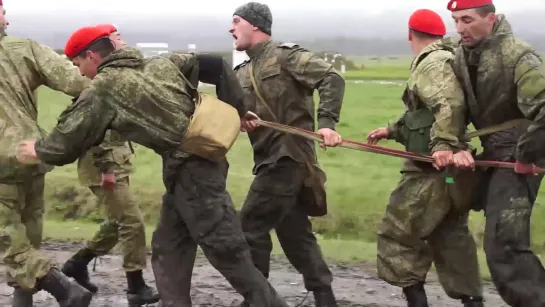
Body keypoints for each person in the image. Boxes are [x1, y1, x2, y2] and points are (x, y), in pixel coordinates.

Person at [16, 25, 289, 307]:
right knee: (169, 247)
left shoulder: (104, 87)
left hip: (194, 176)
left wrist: (38, 149)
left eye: (78, 64)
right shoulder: (161, 63)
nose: (81, 73)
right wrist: (238, 110)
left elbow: (68, 140)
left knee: (227, 252)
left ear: (91, 56)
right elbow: (217, 66)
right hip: (188, 169)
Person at [366, 9, 484, 307]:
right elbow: (424, 115)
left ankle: (417, 302)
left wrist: (443, 146)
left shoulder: (431, 64)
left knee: (397, 235)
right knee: (449, 235)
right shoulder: (445, 57)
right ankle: (474, 301)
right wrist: (391, 130)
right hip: (450, 173)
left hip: (430, 171)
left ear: (410, 34)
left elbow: (448, 104)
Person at [229, 2, 344, 306]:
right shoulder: (241, 71)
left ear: (254, 25)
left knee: (249, 227)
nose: (231, 29)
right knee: (294, 232)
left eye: (236, 22)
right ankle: (324, 296)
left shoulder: (285, 56)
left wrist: (328, 124)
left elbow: (331, 78)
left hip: (289, 157)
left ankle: (257, 298)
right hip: (266, 159)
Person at [447, 0, 545, 306]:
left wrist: (525, 156)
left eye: (467, 20)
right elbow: (452, 106)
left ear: (491, 18)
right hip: (487, 156)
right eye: (455, 21)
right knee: (440, 221)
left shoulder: (519, 55)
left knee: (505, 246)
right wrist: (452, 144)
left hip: (519, 157)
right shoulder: (460, 55)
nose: (460, 28)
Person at [0, 1, 94, 306]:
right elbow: (80, 83)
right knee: (27, 239)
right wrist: (68, 132)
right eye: (3, 11)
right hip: (32, 155)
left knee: (11, 247)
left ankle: (66, 291)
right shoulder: (25, 48)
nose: (7, 19)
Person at [59, 23, 159, 306]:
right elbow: (94, 128)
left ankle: (78, 263)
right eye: (116, 37)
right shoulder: (97, 81)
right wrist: (107, 170)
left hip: (114, 162)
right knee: (132, 222)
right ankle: (135, 287)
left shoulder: (114, 73)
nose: (122, 41)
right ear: (101, 46)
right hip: (103, 165)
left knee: (117, 224)